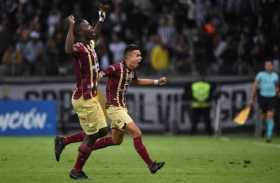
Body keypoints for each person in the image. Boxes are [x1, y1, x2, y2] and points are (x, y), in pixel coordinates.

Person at [55, 44, 167, 174]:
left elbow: (137, 81)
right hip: (115, 109)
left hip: (121, 109)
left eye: (140, 55)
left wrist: (156, 82)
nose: (140, 58)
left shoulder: (130, 71)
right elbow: (99, 74)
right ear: (128, 57)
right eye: (137, 55)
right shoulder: (116, 68)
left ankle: (73, 142)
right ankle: (151, 165)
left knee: (115, 140)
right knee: (137, 133)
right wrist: (88, 85)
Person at [55, 7, 109, 180]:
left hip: (90, 96)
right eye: (87, 26)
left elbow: (96, 33)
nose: (91, 28)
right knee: (94, 135)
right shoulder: (78, 47)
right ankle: (76, 170)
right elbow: (67, 49)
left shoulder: (90, 43)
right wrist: (71, 26)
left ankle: (64, 141)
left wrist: (100, 18)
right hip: (84, 98)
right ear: (80, 32)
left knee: (100, 132)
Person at [250, 60, 279, 143]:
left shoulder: (275, 76)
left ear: (272, 66)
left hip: (272, 97)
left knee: (270, 115)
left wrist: (278, 93)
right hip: (262, 97)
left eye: (269, 65)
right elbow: (255, 86)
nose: (268, 67)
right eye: (266, 65)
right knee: (263, 117)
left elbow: (277, 87)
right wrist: (252, 98)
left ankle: (269, 136)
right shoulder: (260, 75)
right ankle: (264, 130)